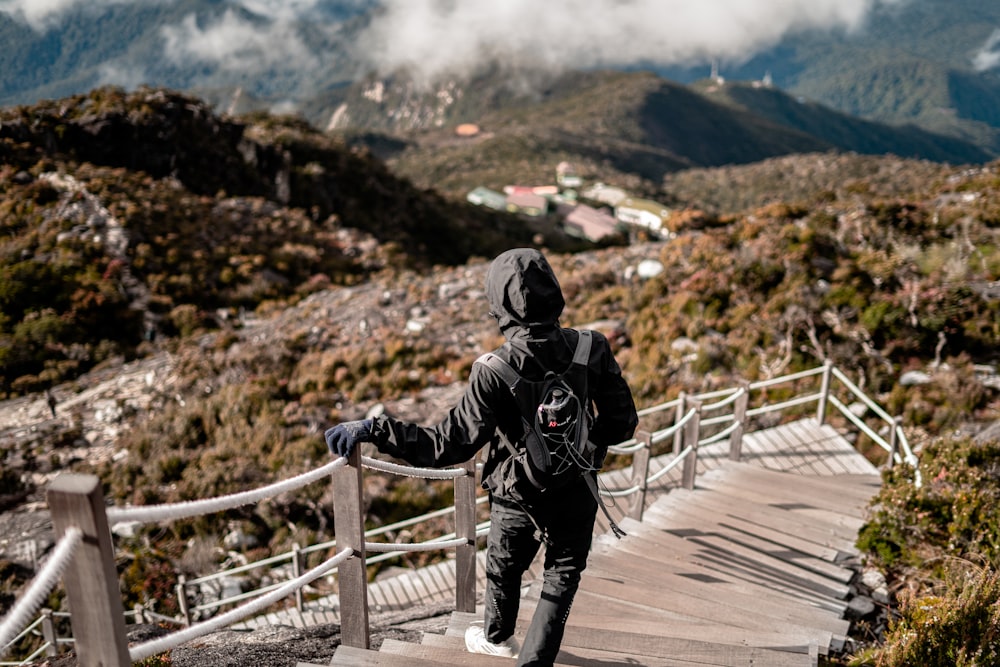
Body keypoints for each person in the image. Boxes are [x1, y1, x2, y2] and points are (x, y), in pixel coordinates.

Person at [325, 248, 638, 666]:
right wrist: (584, 451)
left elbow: (446, 447)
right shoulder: (591, 348)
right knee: (562, 575)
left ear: (499, 304)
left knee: (504, 570)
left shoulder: (493, 369)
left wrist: (375, 429)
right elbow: (621, 422)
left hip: (516, 495)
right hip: (577, 488)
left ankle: (496, 638)